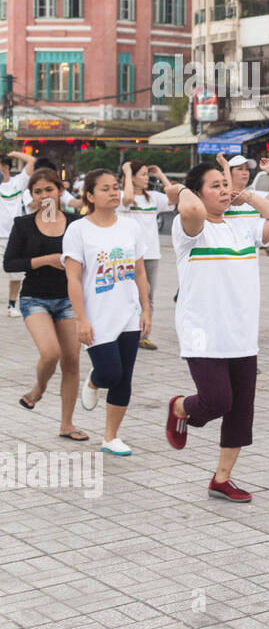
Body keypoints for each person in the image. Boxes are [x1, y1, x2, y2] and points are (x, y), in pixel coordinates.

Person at [163, 161, 269, 502]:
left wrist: (247, 196)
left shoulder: (243, 228)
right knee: (217, 400)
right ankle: (179, 407)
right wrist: (182, 190)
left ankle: (222, 479)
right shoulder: (189, 229)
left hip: (242, 334)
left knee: (240, 412)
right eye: (215, 185)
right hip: (202, 332)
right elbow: (190, 206)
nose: (223, 190)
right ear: (197, 192)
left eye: (226, 185)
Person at [61, 169, 151, 457]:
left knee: (125, 377)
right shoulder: (78, 230)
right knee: (111, 373)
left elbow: (139, 272)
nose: (114, 193)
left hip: (128, 313)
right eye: (105, 189)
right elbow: (73, 279)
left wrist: (146, 309)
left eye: (115, 187)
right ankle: (95, 380)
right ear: (89, 195)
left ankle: (111, 437)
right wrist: (80, 319)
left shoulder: (130, 227)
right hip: (97, 315)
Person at [4, 168, 86, 439]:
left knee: (72, 361)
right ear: (32, 196)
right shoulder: (23, 224)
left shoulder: (77, 223)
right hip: (34, 297)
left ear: (61, 190)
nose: (44, 196)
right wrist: (45, 260)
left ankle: (67, 424)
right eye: (37, 192)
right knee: (51, 353)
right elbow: (10, 264)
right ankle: (39, 388)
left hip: (69, 300)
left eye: (48, 190)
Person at [119, 160, 173, 350]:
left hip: (151, 253)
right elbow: (126, 200)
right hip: (129, 256)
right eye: (142, 174)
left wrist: (161, 176)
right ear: (131, 177)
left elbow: (175, 199)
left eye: (146, 174)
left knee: (148, 295)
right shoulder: (122, 196)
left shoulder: (153, 198)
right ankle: (125, 332)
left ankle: (143, 335)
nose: (146, 178)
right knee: (129, 294)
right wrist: (126, 172)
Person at [2, 150, 38, 317]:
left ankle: (11, 306)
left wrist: (14, 153)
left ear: (5, 168)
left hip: (13, 236)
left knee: (16, 274)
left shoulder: (18, 183)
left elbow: (32, 160)